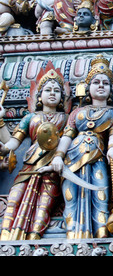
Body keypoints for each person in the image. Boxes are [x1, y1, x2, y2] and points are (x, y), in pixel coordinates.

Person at [50, 55, 113, 239]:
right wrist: (58, 156)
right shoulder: (78, 112)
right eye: (96, 82)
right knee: (71, 198)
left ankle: (100, 235)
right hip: (72, 159)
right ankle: (73, 234)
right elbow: (67, 135)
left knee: (101, 196)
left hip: (98, 158)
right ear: (87, 87)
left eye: (105, 83)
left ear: (110, 90)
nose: (101, 86)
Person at [0, 62, 71, 240]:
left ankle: (33, 239)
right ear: (39, 96)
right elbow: (12, 143)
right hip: (29, 167)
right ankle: (7, 237)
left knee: (43, 206)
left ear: (62, 97)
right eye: (48, 90)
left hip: (51, 170)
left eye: (56, 91)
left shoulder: (67, 118)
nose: (53, 93)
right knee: (14, 200)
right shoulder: (30, 118)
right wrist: (1, 125)